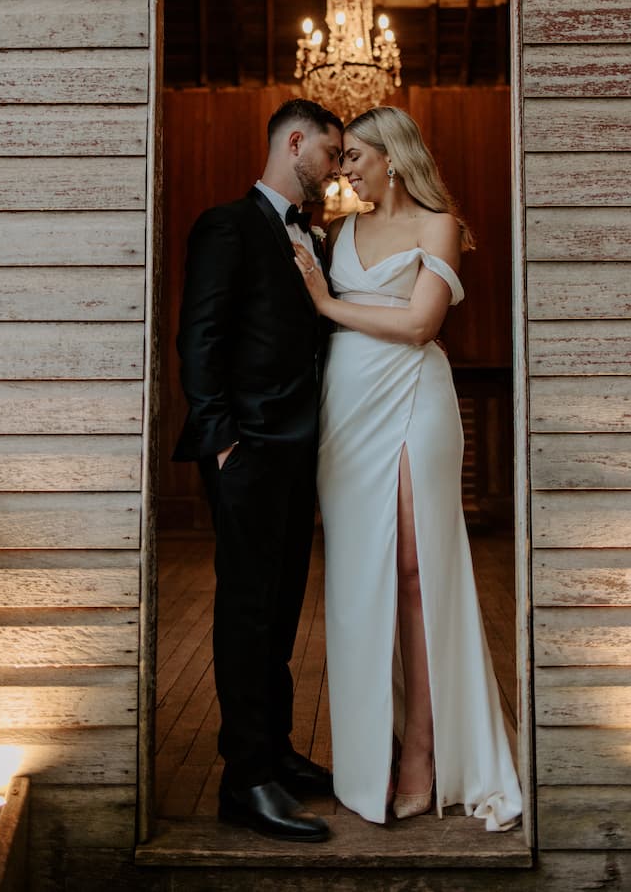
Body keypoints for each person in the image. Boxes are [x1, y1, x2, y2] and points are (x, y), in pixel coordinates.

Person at [293, 106, 522, 830]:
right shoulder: (337, 232)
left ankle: (423, 750)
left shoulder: (438, 224)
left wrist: (329, 302)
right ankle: (370, 756)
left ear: (393, 155)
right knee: (364, 580)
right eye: (341, 158)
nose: (344, 168)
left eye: (355, 155)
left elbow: (423, 323)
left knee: (420, 574)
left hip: (416, 398)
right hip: (348, 408)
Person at [174, 98, 343, 842]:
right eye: (332, 156)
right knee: (247, 613)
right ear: (296, 142)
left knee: (279, 612)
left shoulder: (309, 234)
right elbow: (198, 336)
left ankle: (273, 752)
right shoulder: (228, 224)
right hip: (246, 452)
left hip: (297, 452)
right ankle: (244, 779)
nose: (336, 171)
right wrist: (221, 444)